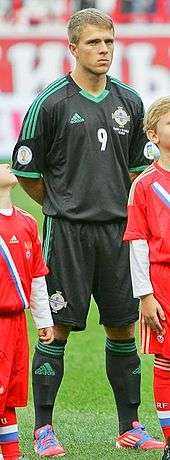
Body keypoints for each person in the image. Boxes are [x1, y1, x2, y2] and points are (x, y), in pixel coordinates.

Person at [12, 7, 164, 457]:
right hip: (69, 236)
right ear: (72, 47)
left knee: (122, 328)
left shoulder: (130, 102)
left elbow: (140, 171)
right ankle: (42, 429)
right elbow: (27, 171)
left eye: (109, 42)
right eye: (94, 43)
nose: (103, 51)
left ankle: (129, 426)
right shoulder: (52, 102)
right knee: (56, 330)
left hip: (119, 235)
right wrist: (62, 203)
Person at [124, 96, 170, 460]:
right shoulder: (144, 184)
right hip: (162, 281)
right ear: (153, 135)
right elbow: (137, 242)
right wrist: (145, 295)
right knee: (166, 361)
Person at [0, 163, 54, 460]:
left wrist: (43, 319)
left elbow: (36, 276)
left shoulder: (27, 222)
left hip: (16, 325)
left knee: (8, 395)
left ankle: (12, 453)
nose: (7, 164)